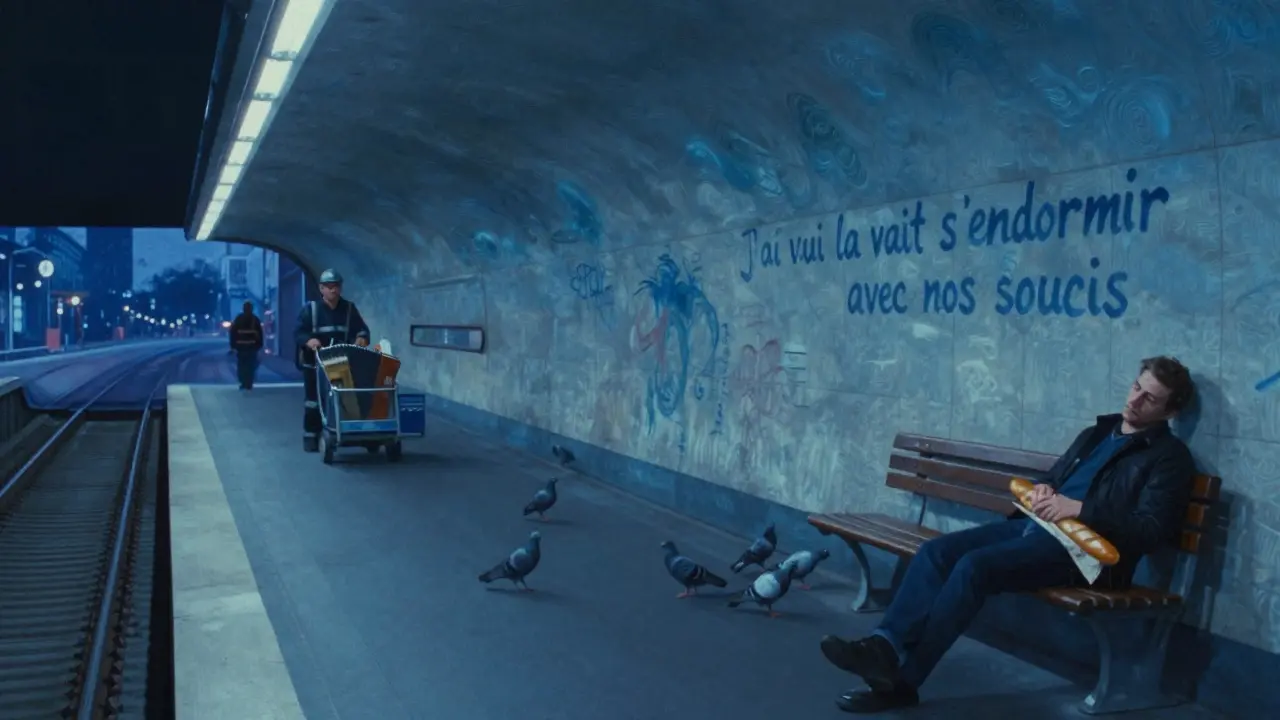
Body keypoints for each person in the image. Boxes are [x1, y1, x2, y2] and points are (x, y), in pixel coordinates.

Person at [819, 355, 1197, 713]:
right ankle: (884, 646)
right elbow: (1056, 476)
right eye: (1136, 387)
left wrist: (1081, 510)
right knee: (937, 552)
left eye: (1150, 398)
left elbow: (1151, 530)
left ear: (1171, 411)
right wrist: (1045, 489)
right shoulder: (1098, 432)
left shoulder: (1169, 457)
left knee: (974, 567)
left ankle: (902, 682)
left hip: (1087, 555)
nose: (1135, 400)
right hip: (1035, 528)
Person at [293, 268, 371, 452]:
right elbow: (298, 332)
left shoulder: (349, 310)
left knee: (341, 397)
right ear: (321, 289)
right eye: (329, 287)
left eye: (336, 286)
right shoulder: (310, 310)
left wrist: (361, 337)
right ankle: (311, 436)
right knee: (313, 401)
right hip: (315, 364)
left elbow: (362, 329)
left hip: (341, 363)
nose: (333, 290)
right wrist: (308, 340)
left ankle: (342, 430)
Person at [229, 300, 265, 390]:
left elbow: (233, 333)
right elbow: (260, 334)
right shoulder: (255, 319)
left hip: (241, 348)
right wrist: (259, 345)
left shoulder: (238, 319)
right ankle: (249, 382)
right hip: (251, 348)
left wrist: (233, 346)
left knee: (242, 365)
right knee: (251, 366)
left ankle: (243, 382)